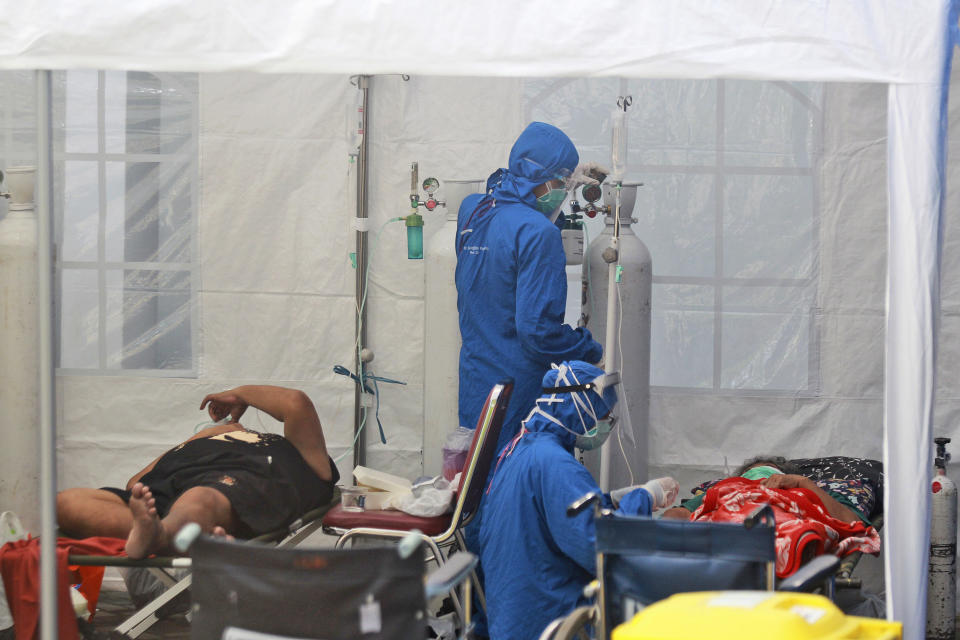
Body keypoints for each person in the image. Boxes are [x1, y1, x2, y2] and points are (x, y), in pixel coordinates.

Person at [477, 361, 675, 640]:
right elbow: (599, 547)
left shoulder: (521, 447)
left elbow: (558, 516)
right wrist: (645, 497)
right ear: (578, 408)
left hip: (514, 616)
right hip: (550, 619)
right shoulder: (555, 464)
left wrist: (615, 500)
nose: (607, 422)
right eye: (603, 414)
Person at [456, 122, 604, 455]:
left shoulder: (473, 211)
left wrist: (559, 179)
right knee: (513, 480)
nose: (565, 191)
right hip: (517, 388)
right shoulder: (538, 234)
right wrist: (588, 349)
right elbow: (538, 333)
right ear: (548, 181)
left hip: (476, 380)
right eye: (564, 183)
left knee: (476, 481)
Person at [56, 385, 339, 558]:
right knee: (67, 502)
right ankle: (159, 533)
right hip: (170, 490)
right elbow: (136, 485)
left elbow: (296, 402)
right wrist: (198, 439)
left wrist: (240, 394)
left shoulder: (306, 461)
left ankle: (160, 535)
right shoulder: (200, 442)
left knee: (201, 498)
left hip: (233, 483)